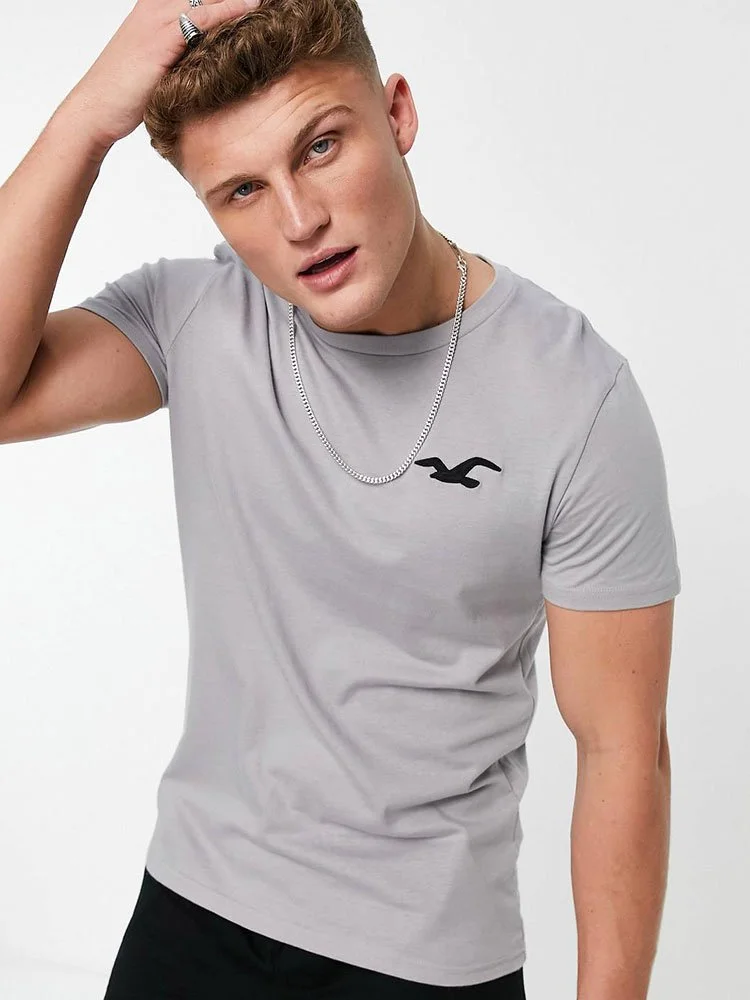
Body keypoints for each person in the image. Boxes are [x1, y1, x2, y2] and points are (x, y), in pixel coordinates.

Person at [0, 1, 681, 997]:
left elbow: (621, 750)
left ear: (396, 114)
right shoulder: (196, 317)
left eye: (320, 148)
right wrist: (85, 120)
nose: (298, 220)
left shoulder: (574, 396)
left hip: (427, 959)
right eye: (242, 190)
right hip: (194, 912)